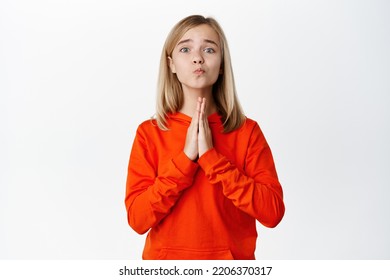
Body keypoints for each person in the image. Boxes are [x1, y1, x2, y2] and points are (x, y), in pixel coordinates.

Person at [125, 15, 285, 260]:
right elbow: (137, 219)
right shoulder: (150, 133)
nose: (197, 57)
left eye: (209, 49)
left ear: (221, 64)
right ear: (171, 64)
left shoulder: (247, 131)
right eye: (185, 49)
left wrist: (212, 159)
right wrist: (185, 160)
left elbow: (273, 213)